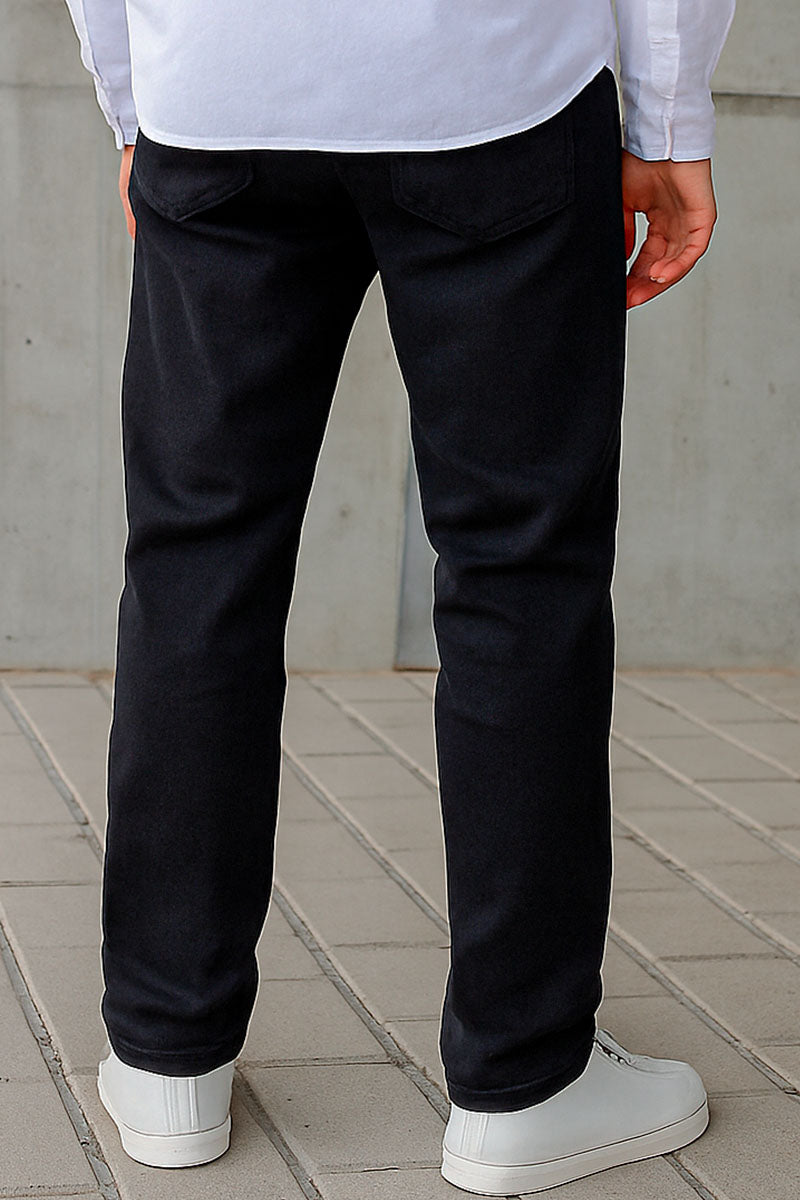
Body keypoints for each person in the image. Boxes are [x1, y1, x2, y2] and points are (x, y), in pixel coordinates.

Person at [62, 1, 736, 1193]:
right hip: (494, 81)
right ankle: (527, 1079)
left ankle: (168, 1055)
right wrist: (668, 119)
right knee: (517, 571)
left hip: (220, 85)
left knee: (194, 564)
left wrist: (136, 95)